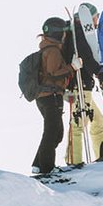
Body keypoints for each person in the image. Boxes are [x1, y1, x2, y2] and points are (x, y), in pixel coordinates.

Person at [62, 17, 103, 163]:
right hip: (81, 85)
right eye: (96, 17)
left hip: (79, 86)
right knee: (78, 123)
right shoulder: (79, 34)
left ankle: (99, 155)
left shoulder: (72, 34)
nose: (97, 21)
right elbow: (87, 57)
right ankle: (74, 160)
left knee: (97, 120)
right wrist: (101, 72)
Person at [31, 16, 74, 174]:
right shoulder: (53, 51)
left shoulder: (46, 48)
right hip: (51, 96)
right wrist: (72, 67)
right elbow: (53, 73)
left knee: (55, 132)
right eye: (63, 33)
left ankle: (38, 164)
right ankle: (47, 167)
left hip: (44, 96)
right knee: (53, 132)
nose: (64, 36)